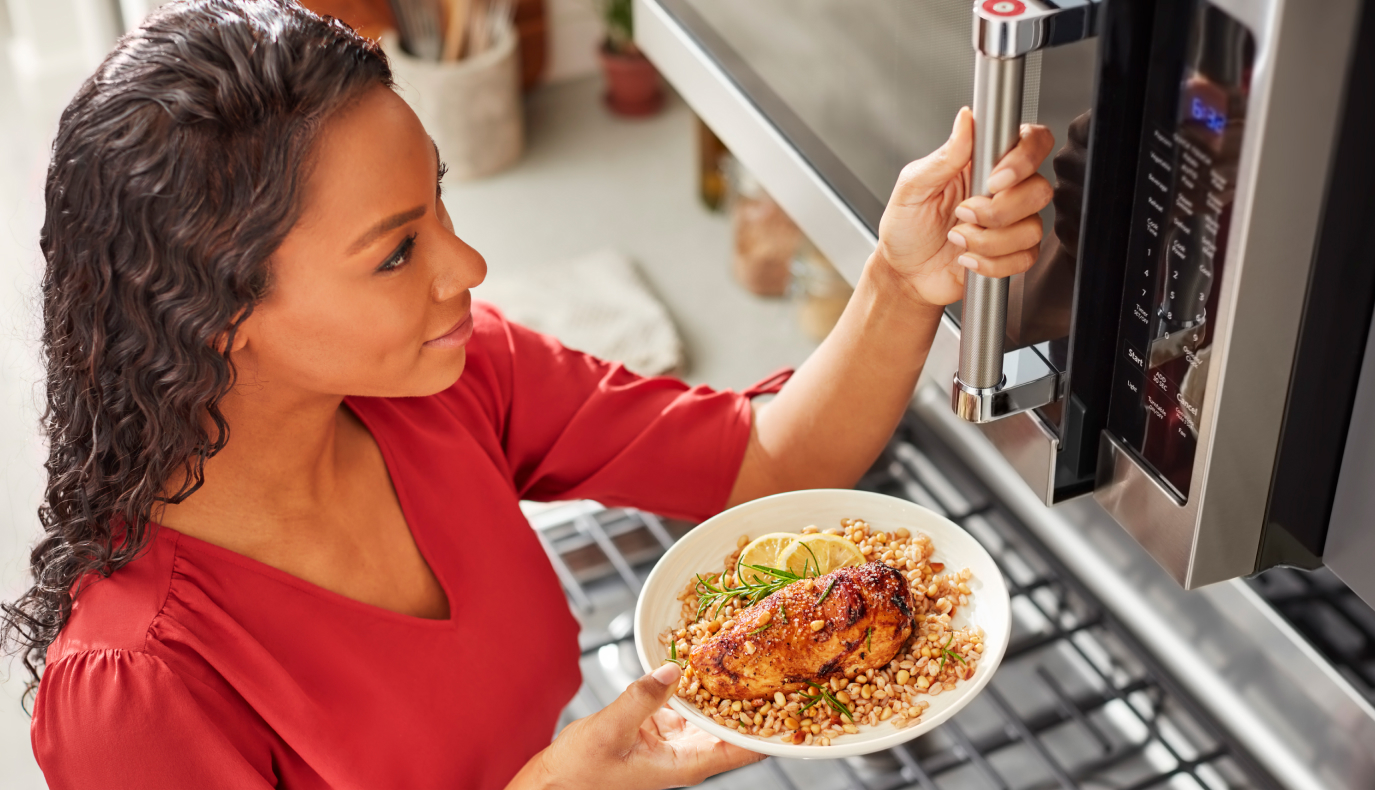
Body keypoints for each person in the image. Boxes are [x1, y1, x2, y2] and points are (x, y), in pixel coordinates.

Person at [3, 0, 1054, 787]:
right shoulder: (135, 686)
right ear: (217, 313)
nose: (467, 268)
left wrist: (902, 284)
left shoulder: (445, 380)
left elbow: (765, 464)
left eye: (438, 204)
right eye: (397, 250)